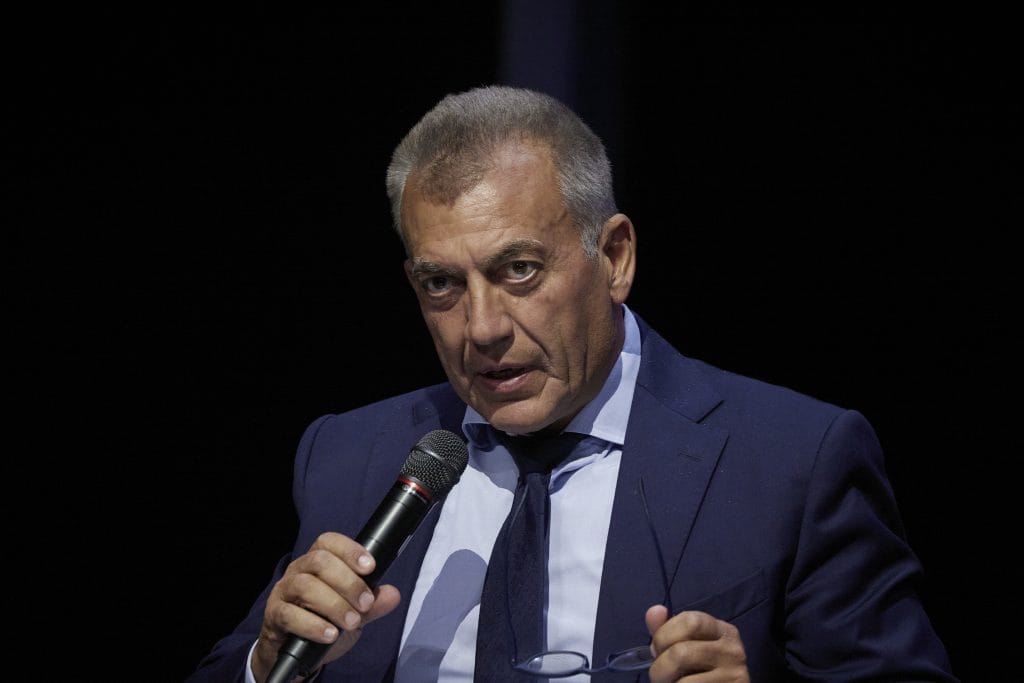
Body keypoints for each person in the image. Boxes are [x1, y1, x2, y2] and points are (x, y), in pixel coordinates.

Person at [186, 85, 957, 682]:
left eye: (519, 269)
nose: (481, 327)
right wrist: (267, 663)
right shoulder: (349, 456)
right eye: (441, 283)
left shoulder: (792, 460)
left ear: (614, 257)